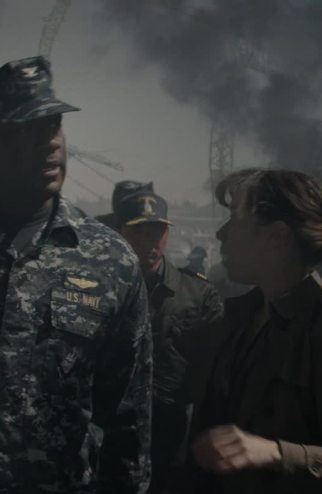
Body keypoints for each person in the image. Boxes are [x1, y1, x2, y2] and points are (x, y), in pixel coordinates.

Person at [0, 56, 152, 492]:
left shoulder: (109, 260)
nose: (49, 143)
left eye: (53, 126)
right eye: (25, 129)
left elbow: (127, 421)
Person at [189, 168, 322, 493]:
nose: (221, 233)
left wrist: (274, 453)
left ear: (276, 237)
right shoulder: (235, 318)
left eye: (235, 220)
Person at [117, 190, 224, 493]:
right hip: (113, 434)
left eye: (157, 230)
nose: (149, 240)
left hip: (174, 435)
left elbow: (215, 376)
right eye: (139, 230)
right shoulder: (105, 290)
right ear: (120, 232)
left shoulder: (198, 295)